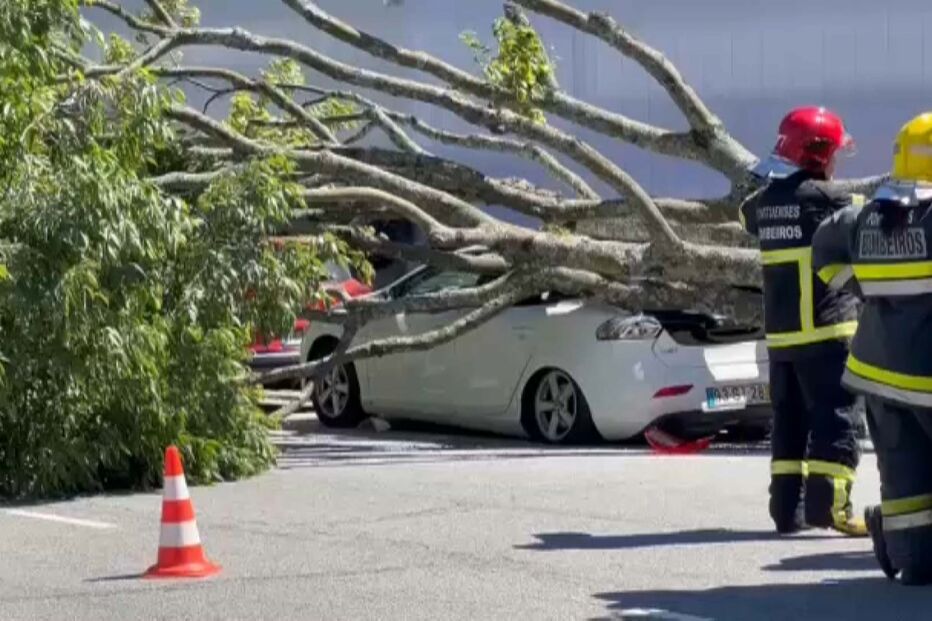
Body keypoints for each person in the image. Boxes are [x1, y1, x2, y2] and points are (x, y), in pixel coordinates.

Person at [812, 112, 932, 584]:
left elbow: (825, 253)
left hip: (879, 375)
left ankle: (907, 551)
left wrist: (867, 289)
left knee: (907, 488)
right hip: (924, 374)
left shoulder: (864, 217)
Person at [740, 106, 867, 536]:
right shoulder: (830, 200)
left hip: (782, 340)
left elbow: (745, 215)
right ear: (818, 154)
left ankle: (787, 513)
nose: (836, 163)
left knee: (789, 423)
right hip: (828, 334)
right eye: (833, 154)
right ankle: (828, 509)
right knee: (837, 419)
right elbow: (867, 216)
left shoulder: (761, 204)